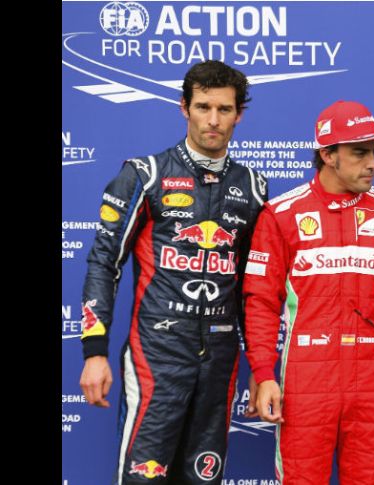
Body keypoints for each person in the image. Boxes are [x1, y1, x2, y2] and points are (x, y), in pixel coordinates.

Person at [78, 60, 268, 485]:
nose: (213, 120)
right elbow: (104, 262)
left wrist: (262, 368)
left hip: (220, 358)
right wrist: (94, 351)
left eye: (224, 109)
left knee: (204, 477)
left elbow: (257, 289)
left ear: (239, 114)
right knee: (144, 478)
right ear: (184, 108)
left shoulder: (254, 186)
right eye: (203, 107)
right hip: (157, 353)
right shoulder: (145, 175)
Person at [242, 100, 374, 484]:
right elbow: (260, 302)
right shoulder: (281, 214)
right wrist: (263, 374)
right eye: (359, 152)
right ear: (327, 154)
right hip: (305, 379)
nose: (372, 163)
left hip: (373, 378)